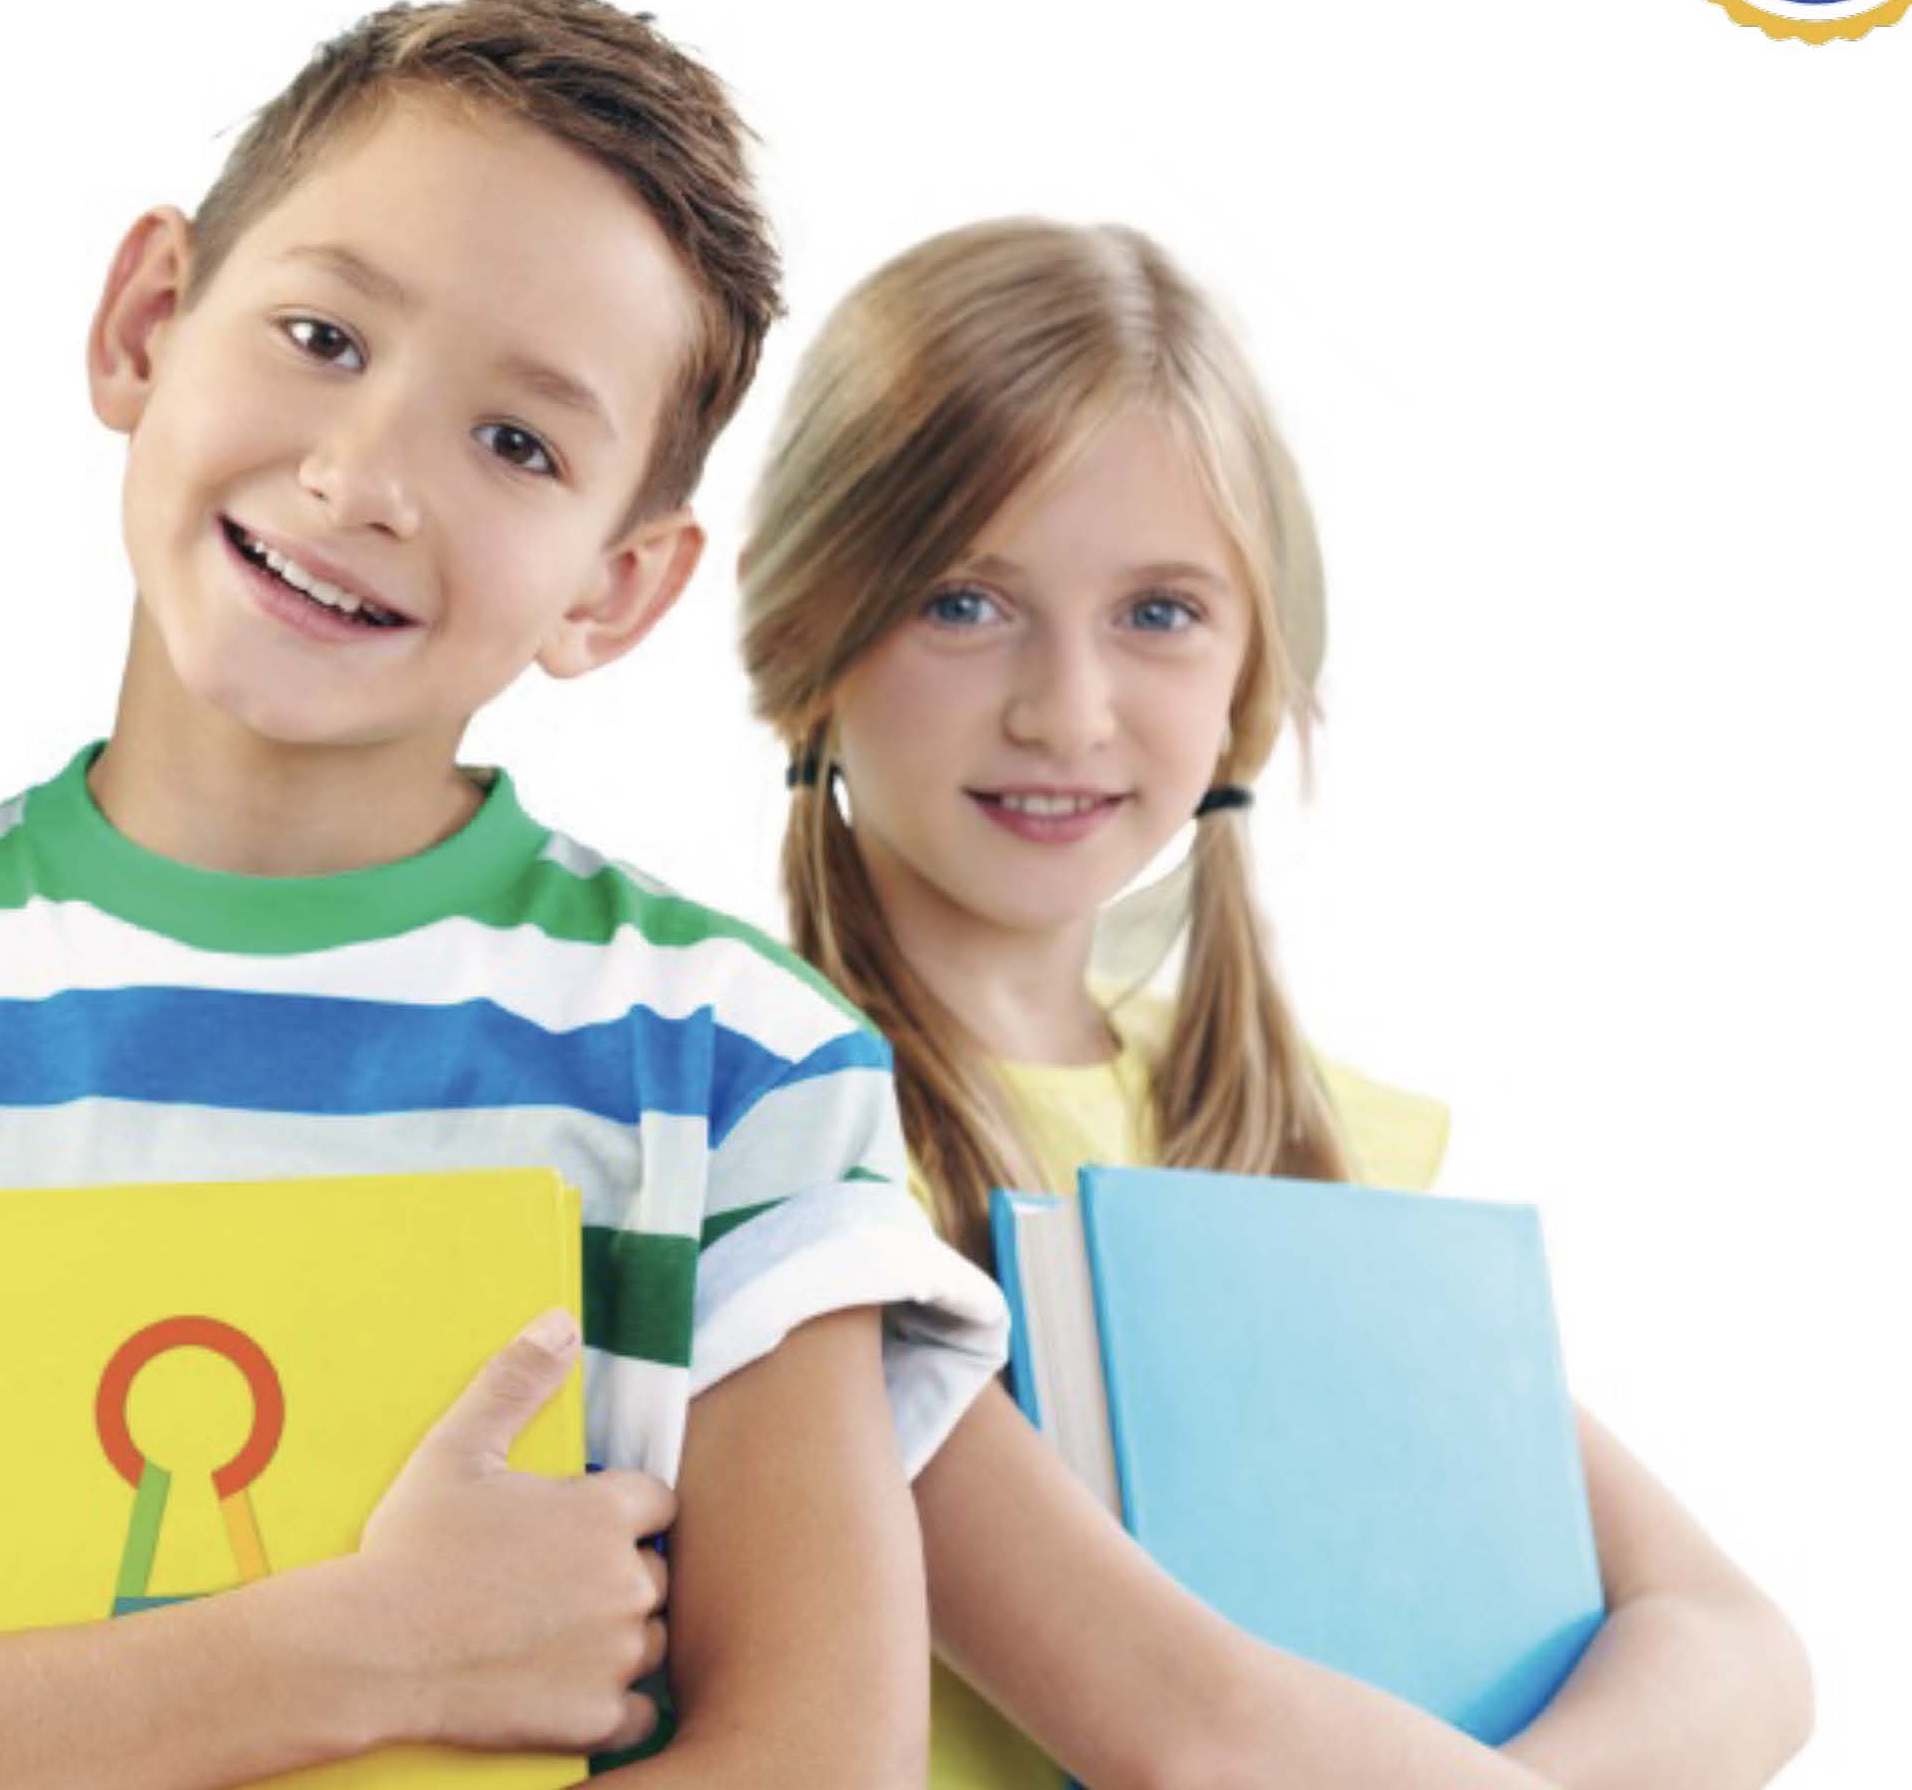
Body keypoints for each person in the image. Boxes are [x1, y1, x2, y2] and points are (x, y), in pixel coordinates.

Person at [0, 0, 1005, 1789]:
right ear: (148, 320)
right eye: (323, 334)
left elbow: (813, 1764)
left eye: (519, 443)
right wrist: (360, 1650)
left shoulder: (736, 1066)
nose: (364, 472)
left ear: (615, 586)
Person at [736, 216, 1816, 1790]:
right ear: (810, 634)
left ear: (1253, 673)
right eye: (964, 599)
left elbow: (1738, 1643)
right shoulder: (757, 1109)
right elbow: (1187, 1731)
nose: (1068, 707)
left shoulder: (1300, 1140)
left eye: (1159, 611)